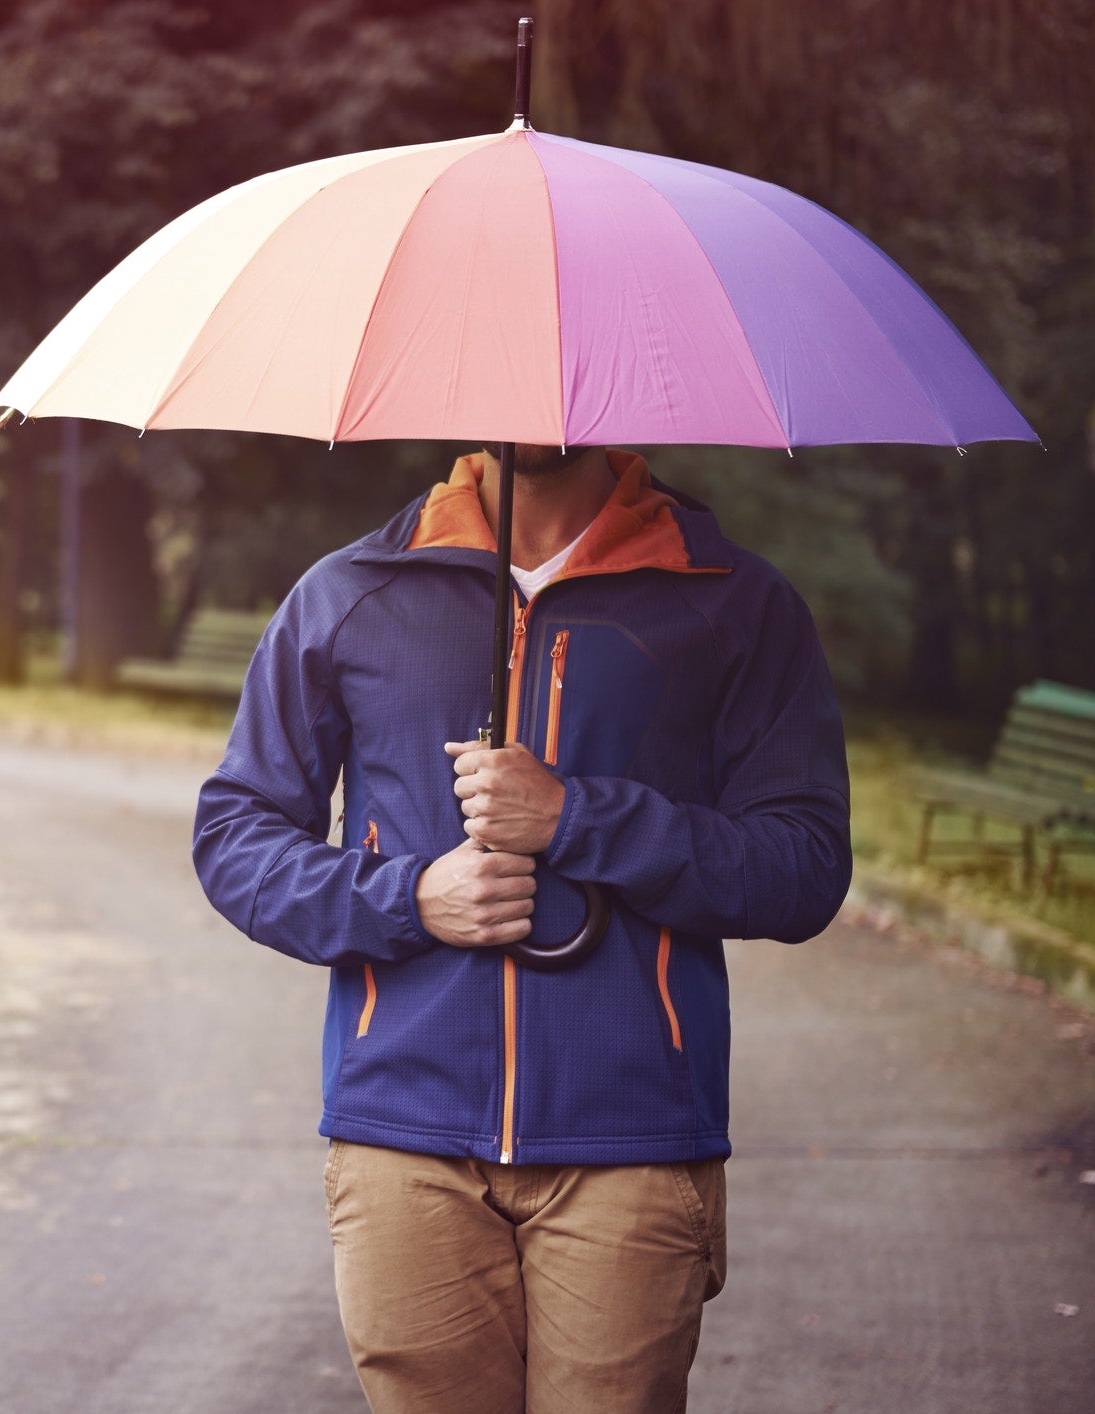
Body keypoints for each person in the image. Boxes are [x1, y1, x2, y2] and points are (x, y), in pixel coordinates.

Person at [193, 445, 851, 1413]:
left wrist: (578, 818)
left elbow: (803, 864)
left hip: (632, 1144)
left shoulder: (733, 604)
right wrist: (409, 897)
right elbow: (234, 835)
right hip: (404, 1138)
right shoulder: (353, 595)